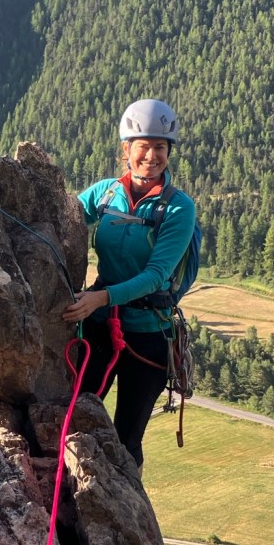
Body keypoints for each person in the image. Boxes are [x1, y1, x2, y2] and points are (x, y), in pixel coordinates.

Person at [62, 99, 197, 471]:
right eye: (143, 147)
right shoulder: (106, 194)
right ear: (126, 149)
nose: (151, 157)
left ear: (169, 151)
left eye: (160, 148)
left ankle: (127, 517)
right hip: (100, 322)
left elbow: (156, 275)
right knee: (73, 414)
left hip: (149, 335)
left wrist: (99, 298)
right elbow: (62, 216)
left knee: (126, 438)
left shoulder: (178, 209)